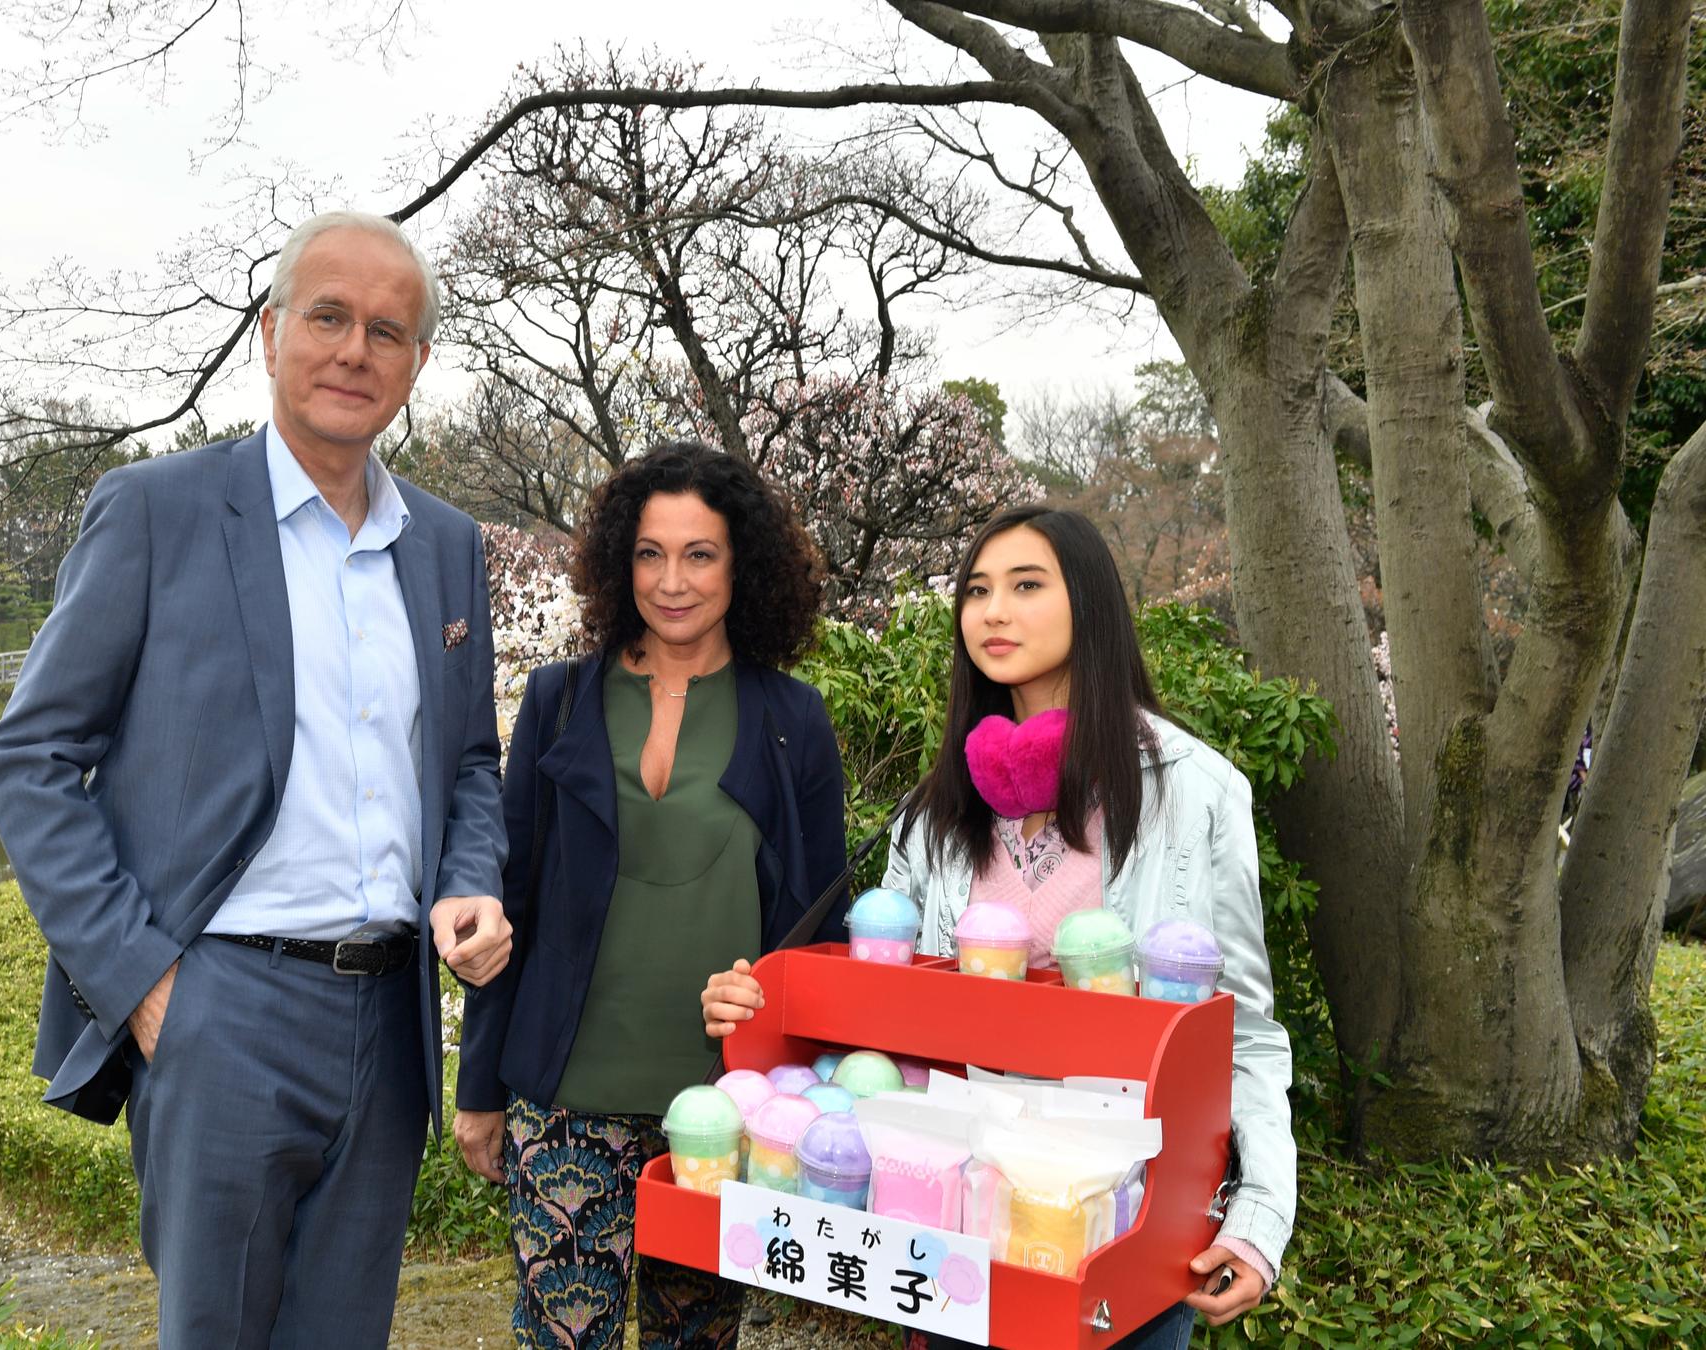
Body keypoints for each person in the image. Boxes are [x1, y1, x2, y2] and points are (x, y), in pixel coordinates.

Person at [0, 210, 512, 1350]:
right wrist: (142, 981)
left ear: (417, 366)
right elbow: (30, 758)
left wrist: (471, 879)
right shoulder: (159, 511)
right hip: (222, 1008)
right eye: (326, 316)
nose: (353, 350)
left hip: (390, 1017)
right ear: (270, 334)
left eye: (387, 330)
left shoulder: (445, 546)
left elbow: (470, 765)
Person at [703, 505, 1295, 1348]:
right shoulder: (935, 808)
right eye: (977, 590)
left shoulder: (1194, 791)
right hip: (953, 1214)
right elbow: (888, 1005)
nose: (993, 611)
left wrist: (1260, 1220)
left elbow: (1243, 1033)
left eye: (1026, 586)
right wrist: (761, 1009)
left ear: (1088, 605)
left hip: (1117, 1219)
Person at [457, 443, 847, 1350]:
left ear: (742, 565)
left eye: (699, 554)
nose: (672, 581)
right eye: (649, 553)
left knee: (696, 1344)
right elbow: (506, 905)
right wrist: (479, 1087)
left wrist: (798, 1093)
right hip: (564, 1098)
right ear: (617, 563)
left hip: (719, 1105)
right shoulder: (559, 700)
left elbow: (818, 930)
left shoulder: (793, 721)